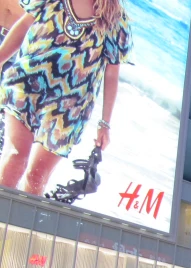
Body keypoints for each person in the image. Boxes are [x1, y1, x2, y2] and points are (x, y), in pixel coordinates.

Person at [0, 0, 131, 196]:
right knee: (16, 158)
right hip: (27, 86)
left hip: (70, 110)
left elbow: (112, 74)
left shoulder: (115, 19)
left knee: (36, 177)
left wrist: (105, 123)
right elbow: (24, 26)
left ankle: (19, 226)